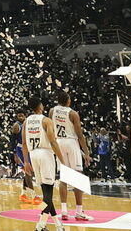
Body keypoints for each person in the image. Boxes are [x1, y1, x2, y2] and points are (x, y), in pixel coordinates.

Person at [23, 96, 65, 231]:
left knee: (46, 194)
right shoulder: (46, 120)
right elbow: (53, 142)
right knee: (48, 193)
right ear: (40, 106)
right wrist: (62, 160)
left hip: (33, 154)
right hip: (45, 154)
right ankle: (40, 225)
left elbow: (24, 143)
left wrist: (26, 162)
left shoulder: (26, 121)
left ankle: (58, 224)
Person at [50, 90, 92, 221]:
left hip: (59, 142)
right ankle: (79, 211)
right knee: (77, 177)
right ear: (68, 100)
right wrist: (86, 152)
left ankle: (63, 211)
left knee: (64, 177)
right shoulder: (73, 113)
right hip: (71, 142)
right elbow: (79, 135)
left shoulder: (52, 111)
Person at [12, 111, 39, 202]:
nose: (20, 117)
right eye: (18, 115)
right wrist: (15, 154)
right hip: (20, 149)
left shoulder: (28, 123)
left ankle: (23, 194)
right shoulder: (17, 125)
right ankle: (33, 195)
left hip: (28, 149)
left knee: (29, 171)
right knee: (28, 172)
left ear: (25, 116)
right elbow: (13, 140)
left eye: (22, 115)